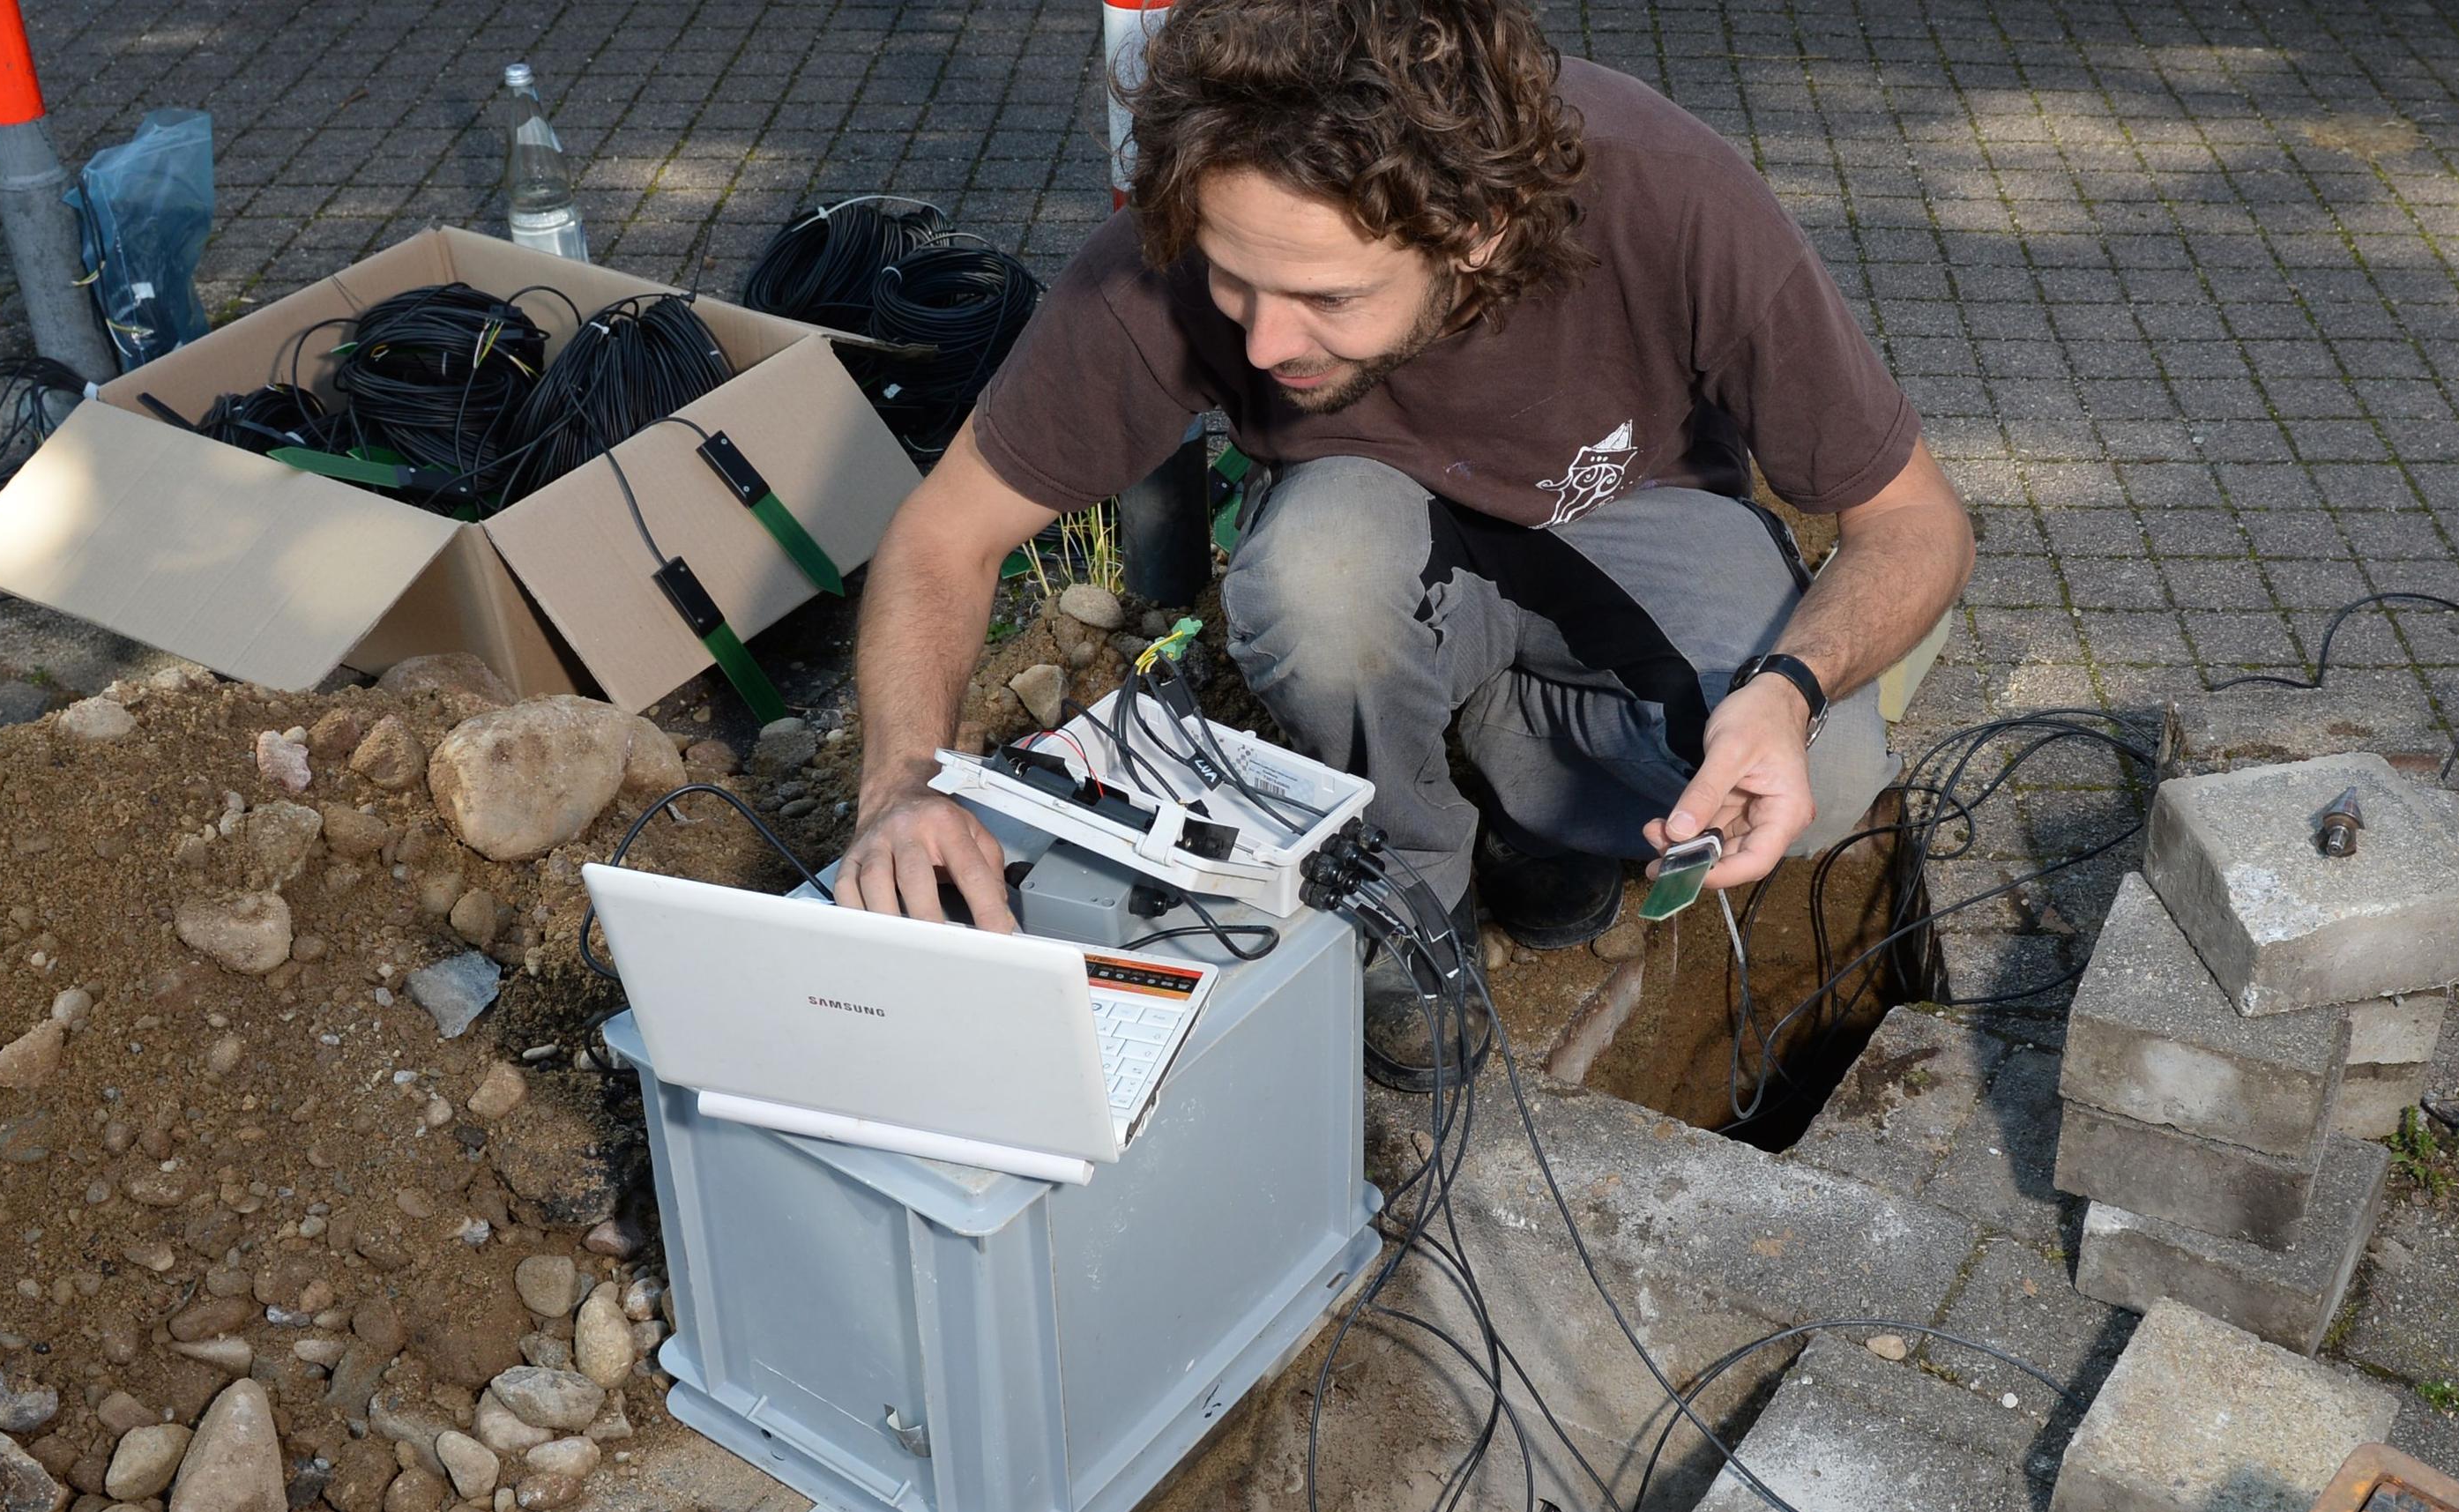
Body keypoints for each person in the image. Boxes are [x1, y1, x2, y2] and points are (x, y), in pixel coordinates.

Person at [837, 0, 1972, 1088]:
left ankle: (1531, 801)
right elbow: (942, 537)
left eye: (1327, 296)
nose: (1268, 340)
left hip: (1633, 528)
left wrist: (1788, 689)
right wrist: (897, 786)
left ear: (1477, 234)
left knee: (1826, 770)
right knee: (1316, 582)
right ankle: (1411, 892)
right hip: (1381, 541)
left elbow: (1917, 525)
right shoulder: (1172, 255)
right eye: (1237, 282)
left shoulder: (1669, 196)